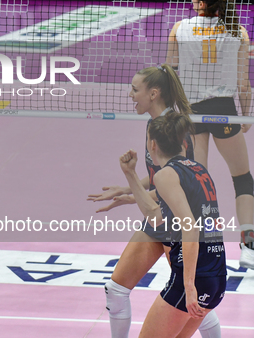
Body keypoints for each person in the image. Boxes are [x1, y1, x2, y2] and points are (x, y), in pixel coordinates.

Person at [87, 64, 221, 338]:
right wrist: (127, 190)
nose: (130, 94)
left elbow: (178, 182)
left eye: (135, 89)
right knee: (116, 289)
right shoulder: (154, 125)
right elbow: (159, 174)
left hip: (176, 225)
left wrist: (131, 191)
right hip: (158, 217)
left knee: (192, 292)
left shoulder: (176, 129)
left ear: (154, 93)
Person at [167, 0, 254, 269]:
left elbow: (170, 75)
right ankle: (249, 246)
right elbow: (244, 85)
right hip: (225, 111)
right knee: (242, 178)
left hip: (191, 111)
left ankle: (199, 245)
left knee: (195, 182)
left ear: (202, 3)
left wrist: (173, 112)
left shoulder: (180, 29)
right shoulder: (237, 32)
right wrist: (246, 116)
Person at [119, 111, 226, 338]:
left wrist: (188, 286)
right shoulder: (198, 170)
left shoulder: (166, 175)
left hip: (193, 280)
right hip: (215, 277)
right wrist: (130, 175)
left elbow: (190, 226)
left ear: (152, 144)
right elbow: (157, 218)